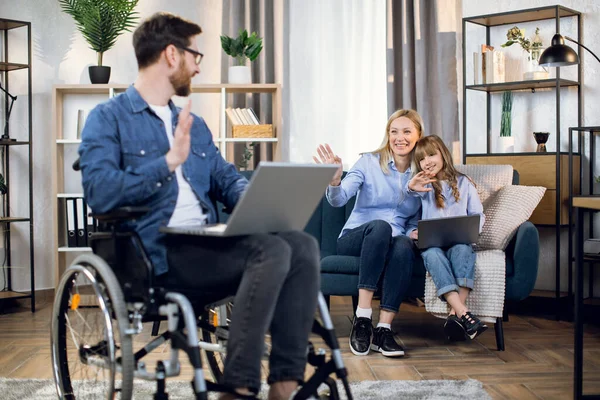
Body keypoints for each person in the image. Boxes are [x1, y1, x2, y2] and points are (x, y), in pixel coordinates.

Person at [78, 12, 320, 400]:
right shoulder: (108, 119)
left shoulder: (194, 123)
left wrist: (263, 201)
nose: (198, 65)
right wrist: (167, 163)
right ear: (171, 54)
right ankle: (237, 388)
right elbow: (100, 193)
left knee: (301, 244)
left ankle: (284, 385)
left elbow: (225, 178)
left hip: (209, 242)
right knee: (271, 250)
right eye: (195, 56)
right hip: (156, 254)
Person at [313, 109, 424, 358]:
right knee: (381, 227)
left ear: (418, 135)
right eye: (394, 131)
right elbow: (339, 199)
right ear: (387, 135)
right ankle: (363, 318)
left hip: (394, 242)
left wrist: (413, 231)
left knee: (404, 243)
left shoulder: (422, 173)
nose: (400, 137)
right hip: (357, 238)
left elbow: (413, 219)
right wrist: (334, 181)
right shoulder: (368, 162)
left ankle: (384, 329)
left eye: (407, 131)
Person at [407, 134, 487, 341]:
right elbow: (406, 217)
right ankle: (464, 314)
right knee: (432, 255)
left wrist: (473, 228)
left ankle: (457, 315)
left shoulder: (464, 183)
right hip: (432, 244)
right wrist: (411, 232)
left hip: (459, 240)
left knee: (462, 249)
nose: (427, 162)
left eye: (431, 155)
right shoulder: (420, 186)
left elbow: (478, 215)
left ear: (443, 153)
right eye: (422, 159)